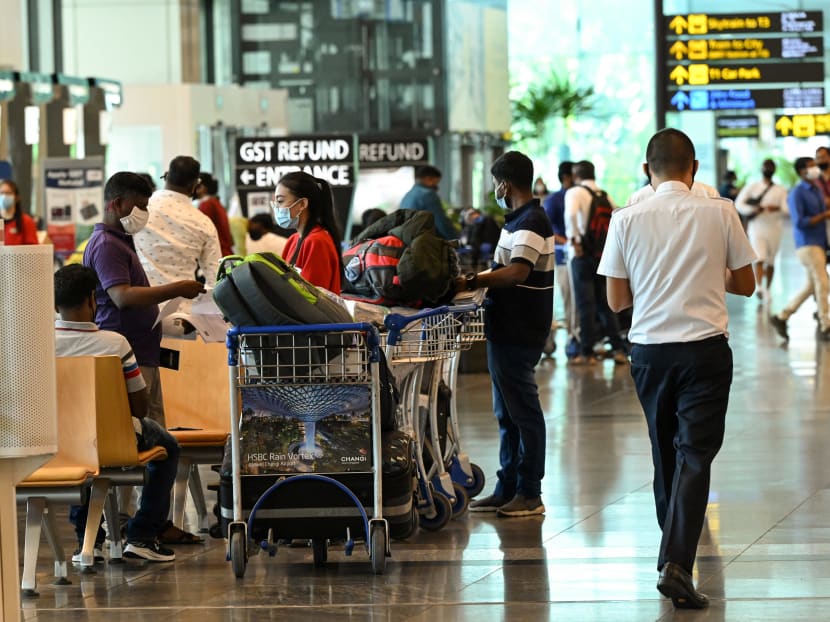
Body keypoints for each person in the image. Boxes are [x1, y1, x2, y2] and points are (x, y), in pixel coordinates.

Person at [598, 128, 756, 609]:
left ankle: (674, 558)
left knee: (665, 454)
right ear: (694, 169)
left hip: (649, 351)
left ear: (647, 169)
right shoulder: (721, 211)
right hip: (705, 349)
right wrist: (707, 272)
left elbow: (617, 299)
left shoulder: (625, 218)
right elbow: (747, 284)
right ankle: (676, 564)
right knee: (695, 454)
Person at [54, 264, 203, 562]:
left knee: (84, 456)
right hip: (114, 439)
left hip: (60, 445)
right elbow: (139, 408)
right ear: (92, 300)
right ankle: (143, 535)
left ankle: (88, 540)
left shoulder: (40, 349)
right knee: (168, 447)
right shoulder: (115, 344)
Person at [458, 150, 554, 517]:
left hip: (520, 327)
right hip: (506, 325)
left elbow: (517, 272)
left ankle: (530, 492)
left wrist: (470, 280)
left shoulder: (531, 221)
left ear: (504, 184)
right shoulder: (516, 220)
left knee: (523, 412)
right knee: (507, 413)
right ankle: (508, 486)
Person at [83, 172, 205, 426]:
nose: (144, 213)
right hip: (128, 352)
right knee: (138, 431)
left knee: (156, 432)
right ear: (116, 204)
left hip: (142, 351)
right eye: (139, 207)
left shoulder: (120, 241)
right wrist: (178, 288)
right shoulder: (107, 245)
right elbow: (122, 296)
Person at [133, 156, 222, 308]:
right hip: (182, 314)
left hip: (142, 306)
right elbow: (215, 278)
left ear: (167, 175)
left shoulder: (139, 210)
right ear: (195, 184)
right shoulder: (203, 223)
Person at [565, 160, 627, 364]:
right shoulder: (604, 194)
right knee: (605, 304)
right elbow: (618, 216)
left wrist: (574, 240)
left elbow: (571, 214)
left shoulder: (574, 193)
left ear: (576, 175)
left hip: (582, 255)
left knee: (585, 304)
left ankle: (587, 352)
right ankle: (618, 349)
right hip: (602, 256)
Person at [770, 157, 830, 341]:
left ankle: (782, 316)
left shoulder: (817, 190)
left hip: (819, 243)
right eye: (810, 166)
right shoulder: (797, 193)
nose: (814, 168)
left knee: (811, 285)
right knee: (822, 282)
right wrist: (824, 215)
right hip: (807, 243)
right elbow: (799, 222)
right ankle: (826, 324)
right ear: (801, 171)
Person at [274, 171, 344, 294]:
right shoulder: (294, 239)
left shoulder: (317, 242)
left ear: (302, 204)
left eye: (280, 201)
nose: (276, 208)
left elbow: (312, 297)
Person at [734, 159, 789, 301]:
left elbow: (786, 209)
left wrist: (775, 208)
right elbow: (739, 204)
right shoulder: (752, 187)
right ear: (761, 169)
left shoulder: (780, 190)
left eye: (770, 167)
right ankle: (759, 287)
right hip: (757, 227)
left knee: (770, 261)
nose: (768, 169)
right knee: (759, 257)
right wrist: (754, 209)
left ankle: (768, 289)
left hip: (775, 228)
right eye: (766, 166)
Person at [543, 161, 578, 359]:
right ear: (567, 177)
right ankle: (567, 339)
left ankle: (575, 338)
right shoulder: (555, 200)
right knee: (567, 298)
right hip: (561, 256)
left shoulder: (574, 196)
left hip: (574, 255)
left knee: (573, 299)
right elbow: (549, 229)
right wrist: (567, 241)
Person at [399, 164, 458, 240]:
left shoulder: (407, 195)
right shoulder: (428, 194)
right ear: (428, 179)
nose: (437, 186)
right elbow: (441, 222)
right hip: (423, 242)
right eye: (436, 182)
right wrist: (455, 240)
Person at [195, 172, 234, 256]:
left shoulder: (206, 205)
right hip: (224, 251)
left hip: (217, 253)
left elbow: (202, 231)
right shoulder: (215, 202)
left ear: (203, 188)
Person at [1, 179, 38, 244]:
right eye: (1, 193)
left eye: (8, 193)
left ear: (16, 197)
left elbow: (33, 249)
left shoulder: (26, 221)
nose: (4, 196)